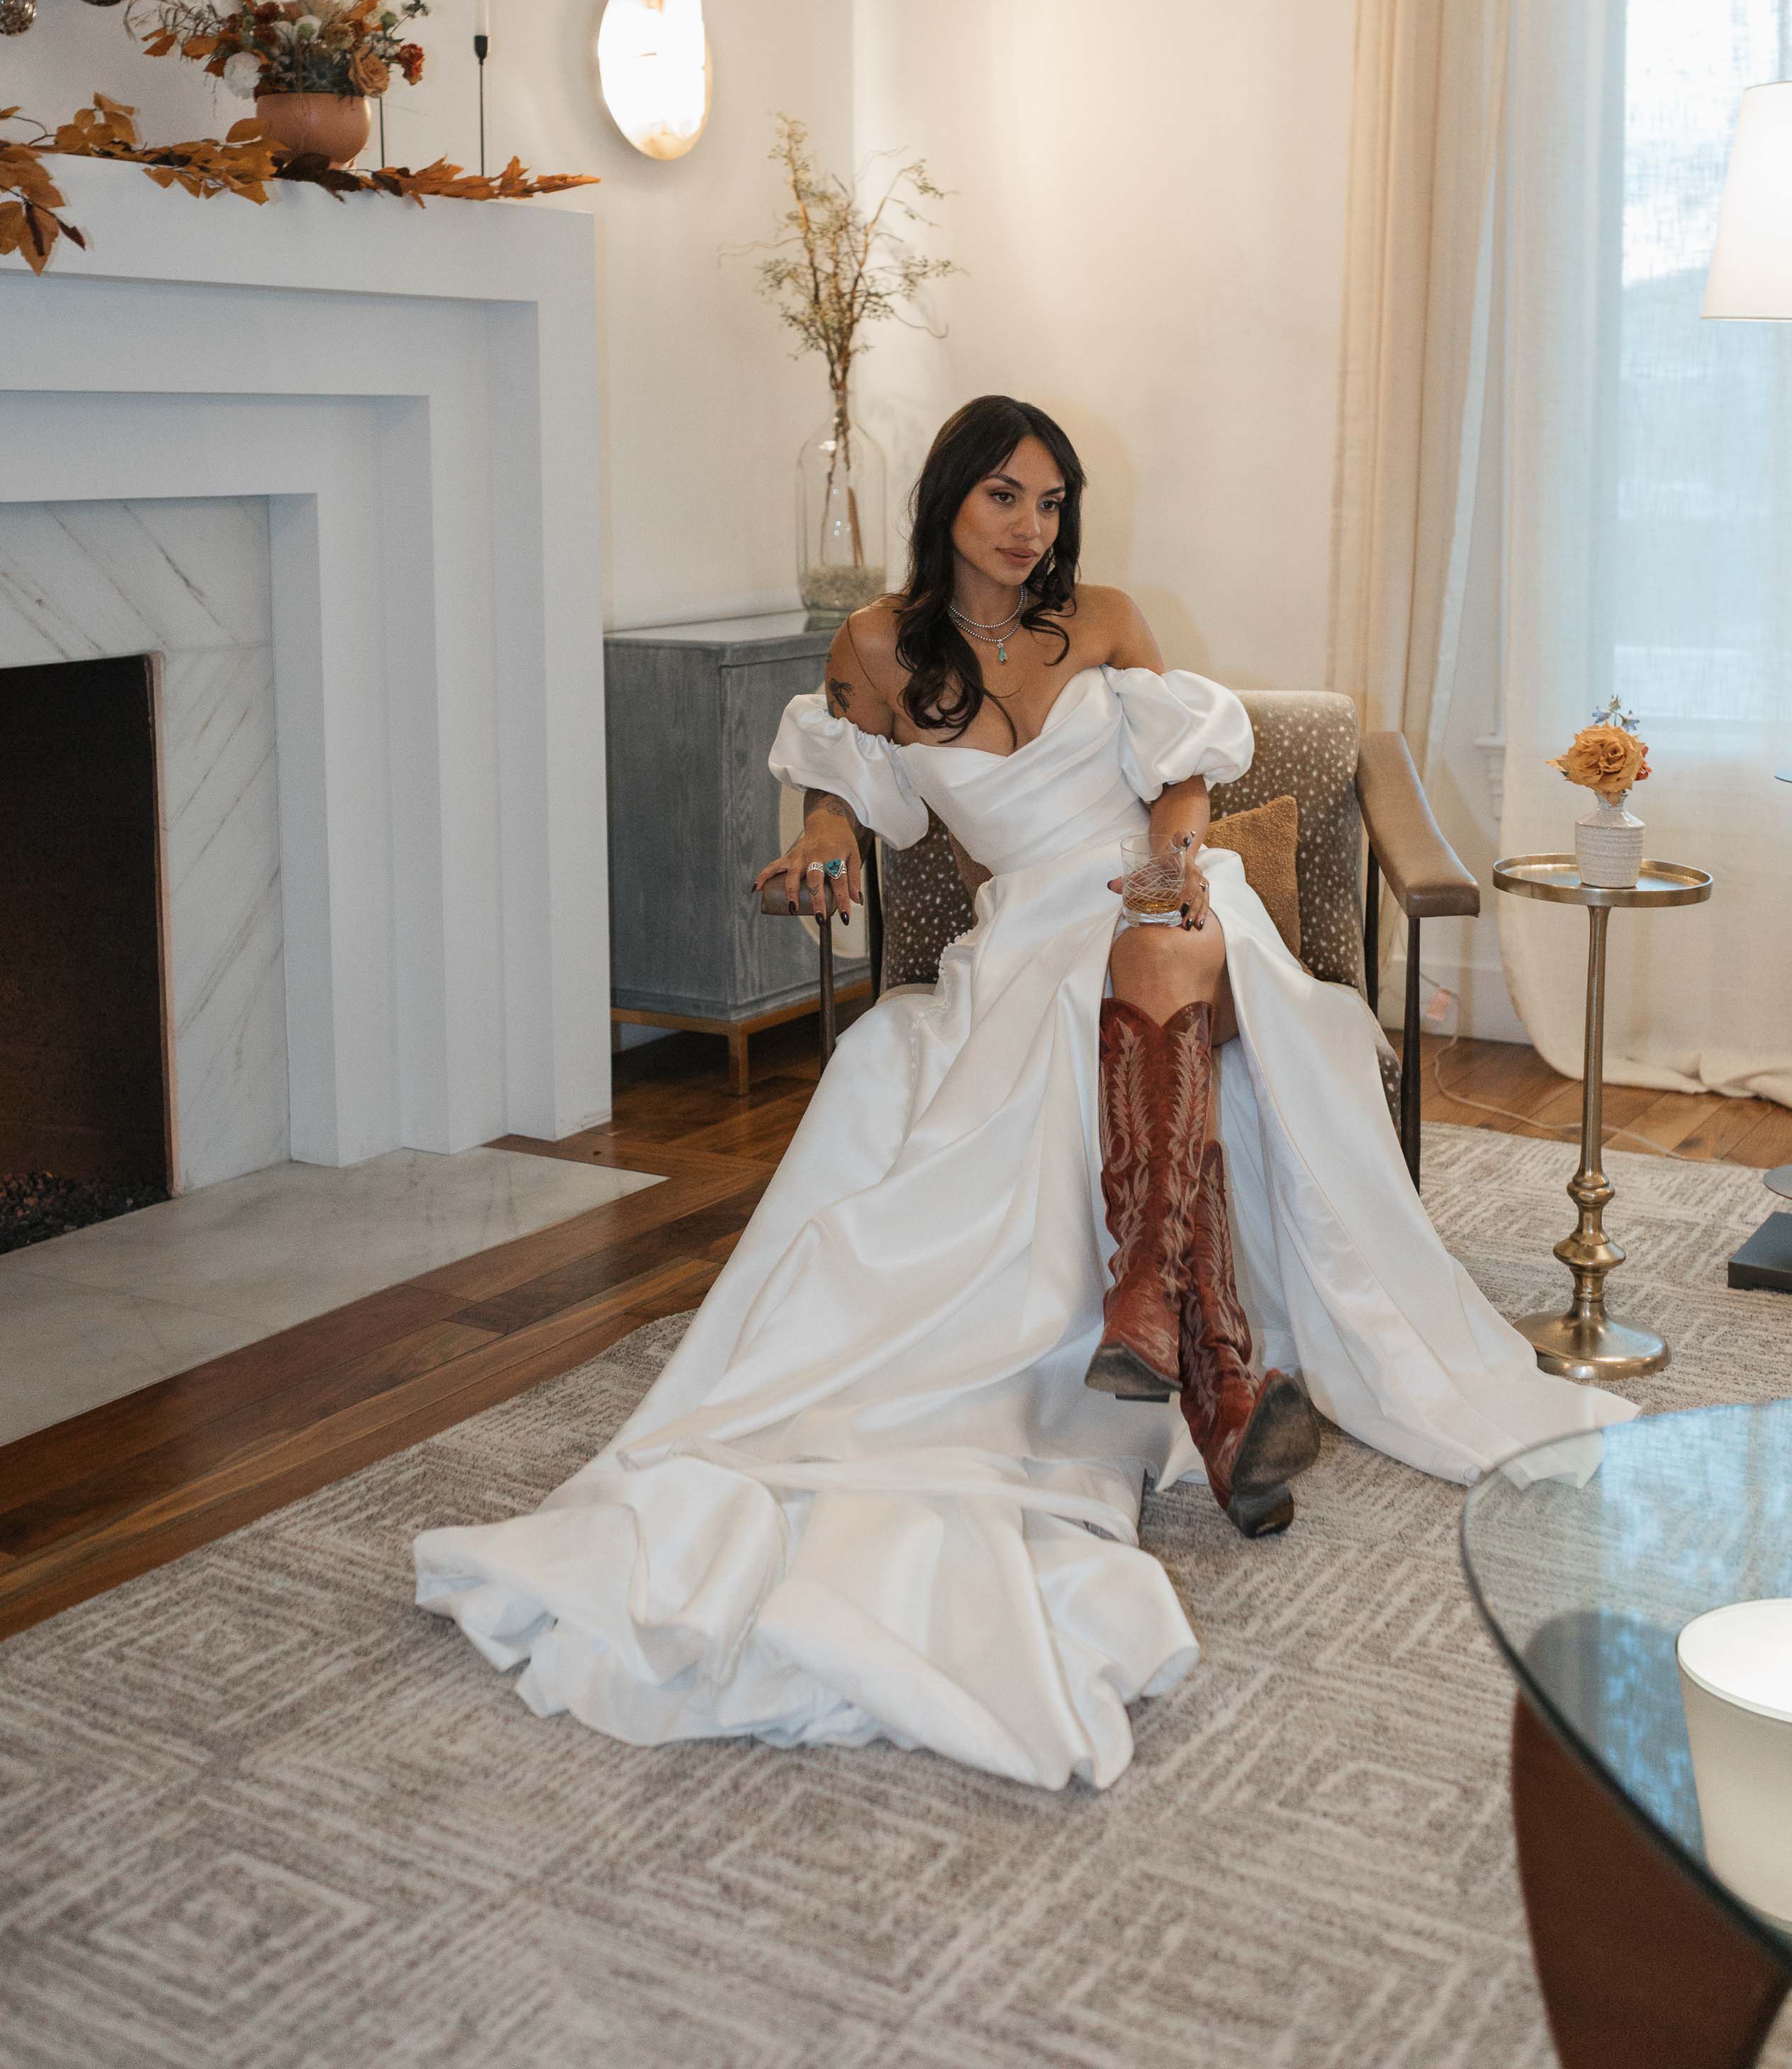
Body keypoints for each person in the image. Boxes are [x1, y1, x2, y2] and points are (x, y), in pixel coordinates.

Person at [415, 395, 1631, 1791]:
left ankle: (1151, 1312)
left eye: (1051, 503)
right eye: (1005, 496)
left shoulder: (1103, 619)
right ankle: (1211, 1368)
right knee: (1075, 996)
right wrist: (810, 850)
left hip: (1165, 899)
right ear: (948, 500)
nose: (1030, 527)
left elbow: (1178, 782)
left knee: (1164, 942)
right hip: (1031, 937)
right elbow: (845, 798)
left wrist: (1174, 858)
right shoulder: (872, 647)